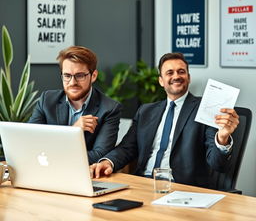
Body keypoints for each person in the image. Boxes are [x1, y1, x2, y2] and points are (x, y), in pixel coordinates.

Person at [90, 52, 239, 188]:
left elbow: (218, 165)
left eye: (181, 72)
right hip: (143, 184)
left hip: (182, 187)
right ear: (161, 81)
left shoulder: (205, 109)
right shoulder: (146, 111)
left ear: (188, 77)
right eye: (169, 73)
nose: (176, 76)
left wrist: (223, 137)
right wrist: (107, 162)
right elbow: (126, 148)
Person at [29, 46, 122, 164]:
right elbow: (31, 142)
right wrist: (74, 130)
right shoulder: (47, 100)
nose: (72, 83)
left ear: (93, 76)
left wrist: (50, 154)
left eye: (80, 76)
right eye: (67, 76)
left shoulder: (109, 109)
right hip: (45, 170)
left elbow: (99, 155)